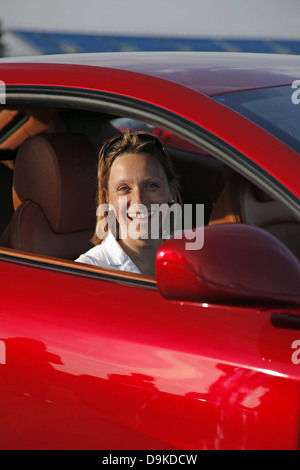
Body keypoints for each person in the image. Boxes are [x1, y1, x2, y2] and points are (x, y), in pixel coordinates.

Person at [76, 131, 182, 276]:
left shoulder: (193, 255)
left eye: (151, 186)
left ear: (170, 190)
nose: (139, 201)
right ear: (107, 197)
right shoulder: (88, 272)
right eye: (124, 189)